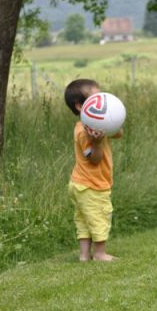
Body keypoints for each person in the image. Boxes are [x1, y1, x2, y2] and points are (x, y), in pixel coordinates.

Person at [64, 79, 123, 261]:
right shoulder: (84, 132)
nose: (101, 101)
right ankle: (99, 253)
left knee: (83, 219)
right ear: (81, 106)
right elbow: (95, 159)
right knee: (99, 216)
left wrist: (111, 120)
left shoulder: (96, 126)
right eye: (95, 97)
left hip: (80, 183)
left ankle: (84, 255)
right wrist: (96, 143)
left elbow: (119, 133)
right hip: (91, 185)